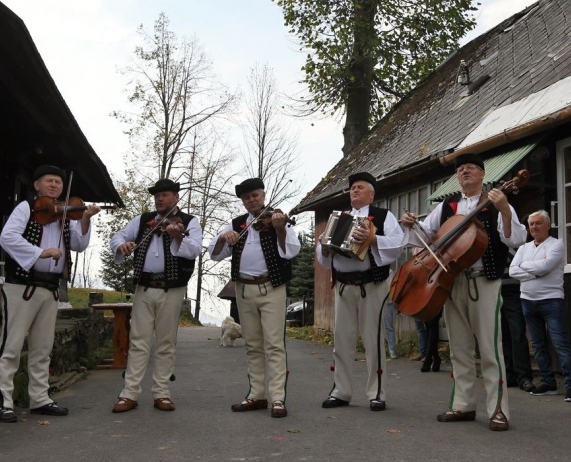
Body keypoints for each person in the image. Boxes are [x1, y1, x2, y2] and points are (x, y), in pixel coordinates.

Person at [401, 153, 526, 431]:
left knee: (491, 349)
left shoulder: (495, 201)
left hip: (485, 280)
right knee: (459, 348)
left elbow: (515, 239)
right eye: (460, 170)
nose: (464, 172)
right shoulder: (448, 204)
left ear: (482, 174)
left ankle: (498, 410)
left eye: (470, 168)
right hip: (451, 280)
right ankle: (463, 405)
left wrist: (505, 210)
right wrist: (412, 224)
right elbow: (428, 234)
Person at [0, 165, 100, 423]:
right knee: (12, 344)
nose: (54, 185)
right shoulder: (26, 208)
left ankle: (39, 398)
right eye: (49, 181)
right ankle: (2, 402)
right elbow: (7, 238)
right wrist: (40, 252)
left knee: (43, 348)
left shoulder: (65, 214)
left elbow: (78, 245)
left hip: (50, 288)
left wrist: (85, 218)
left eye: (58, 182)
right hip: (23, 286)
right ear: (37, 185)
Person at [209, 178, 301, 418]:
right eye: (247, 197)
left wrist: (280, 228)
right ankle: (257, 395)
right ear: (243, 201)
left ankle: (278, 398)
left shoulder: (277, 219)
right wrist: (223, 238)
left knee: (273, 344)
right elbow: (214, 254)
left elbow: (291, 250)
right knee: (252, 345)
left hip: (271, 287)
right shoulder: (237, 224)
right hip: (244, 289)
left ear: (263, 195)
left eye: (255, 196)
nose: (252, 200)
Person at [109, 178, 203, 414]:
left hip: (172, 289)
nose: (160, 199)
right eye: (157, 196)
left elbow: (194, 250)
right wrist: (121, 245)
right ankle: (129, 393)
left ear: (176, 198)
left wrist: (177, 236)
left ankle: (162, 393)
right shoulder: (144, 220)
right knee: (138, 341)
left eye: (165, 195)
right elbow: (117, 235)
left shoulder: (189, 222)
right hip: (144, 287)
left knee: (165, 343)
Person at [317, 172, 404, 412]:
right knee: (341, 341)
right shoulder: (340, 217)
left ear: (371, 193)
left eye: (360, 187)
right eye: (352, 187)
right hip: (343, 286)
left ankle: (377, 393)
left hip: (372, 285)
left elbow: (398, 245)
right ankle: (341, 391)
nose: (354, 191)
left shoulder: (384, 216)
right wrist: (324, 245)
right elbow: (323, 257)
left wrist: (373, 238)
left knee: (373, 340)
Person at [509, 210, 571, 402]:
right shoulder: (523, 248)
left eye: (538, 223)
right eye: (531, 224)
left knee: (560, 344)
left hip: (551, 300)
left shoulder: (556, 245)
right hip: (527, 301)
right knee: (538, 345)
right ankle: (548, 383)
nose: (534, 227)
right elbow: (513, 271)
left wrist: (528, 268)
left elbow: (546, 267)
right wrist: (535, 272)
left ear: (548, 225)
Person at [500, 249, 535, 392]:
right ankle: (509, 375)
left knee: (517, 334)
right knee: (503, 336)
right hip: (495, 292)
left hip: (513, 292)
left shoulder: (519, 246)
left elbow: (521, 263)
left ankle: (524, 376)